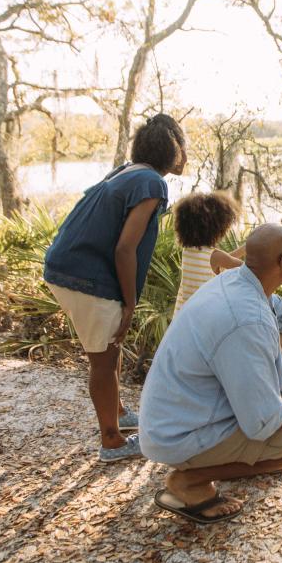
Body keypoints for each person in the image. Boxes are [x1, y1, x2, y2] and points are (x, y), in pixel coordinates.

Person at [140, 224, 282, 523]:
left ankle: (240, 458)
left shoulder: (240, 281)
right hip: (179, 435)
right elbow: (263, 423)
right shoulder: (247, 320)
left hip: (173, 416)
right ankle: (190, 481)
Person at [43, 113, 186, 463]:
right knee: (103, 361)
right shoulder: (152, 183)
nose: (186, 155)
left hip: (69, 264)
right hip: (85, 275)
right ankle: (111, 442)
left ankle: (119, 414)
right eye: (184, 147)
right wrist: (130, 301)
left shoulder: (128, 171)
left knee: (111, 347)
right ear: (173, 150)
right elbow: (125, 248)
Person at [171, 191, 245, 316]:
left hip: (183, 315)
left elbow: (217, 261)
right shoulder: (215, 256)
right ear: (217, 229)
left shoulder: (189, 250)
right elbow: (248, 267)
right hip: (203, 317)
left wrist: (244, 249)